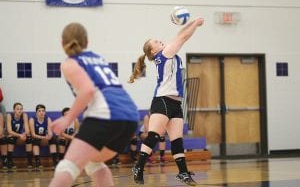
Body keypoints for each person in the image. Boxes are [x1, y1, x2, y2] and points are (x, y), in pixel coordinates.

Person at [49, 22, 139, 187]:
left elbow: (87, 90)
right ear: (87, 41)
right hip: (130, 117)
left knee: (67, 166)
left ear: (62, 43)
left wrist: (66, 119)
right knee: (92, 162)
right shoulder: (98, 58)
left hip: (106, 115)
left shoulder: (69, 63)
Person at [129, 17, 204, 186]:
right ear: (153, 51)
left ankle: (183, 173)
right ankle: (138, 167)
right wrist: (196, 25)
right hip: (162, 100)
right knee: (154, 136)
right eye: (155, 41)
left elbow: (179, 35)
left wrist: (191, 22)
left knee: (177, 140)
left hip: (175, 103)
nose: (159, 40)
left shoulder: (167, 53)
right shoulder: (164, 54)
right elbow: (182, 37)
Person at [29, 104, 58, 168]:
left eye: (43, 111)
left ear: (45, 112)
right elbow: (33, 134)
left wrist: (49, 136)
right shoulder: (32, 119)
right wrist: (44, 137)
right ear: (36, 112)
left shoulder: (48, 119)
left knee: (52, 139)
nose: (41, 112)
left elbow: (50, 133)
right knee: (35, 141)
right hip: (37, 137)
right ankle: (37, 161)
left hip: (44, 138)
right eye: (39, 111)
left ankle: (54, 161)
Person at [6, 102, 33, 169]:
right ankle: (9, 161)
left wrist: (23, 134)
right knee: (11, 139)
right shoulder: (9, 116)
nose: (20, 110)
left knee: (29, 138)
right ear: (14, 110)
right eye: (17, 109)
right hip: (11, 134)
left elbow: (27, 130)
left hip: (19, 135)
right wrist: (20, 135)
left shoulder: (24, 115)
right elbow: (9, 131)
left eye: (21, 109)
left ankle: (30, 161)